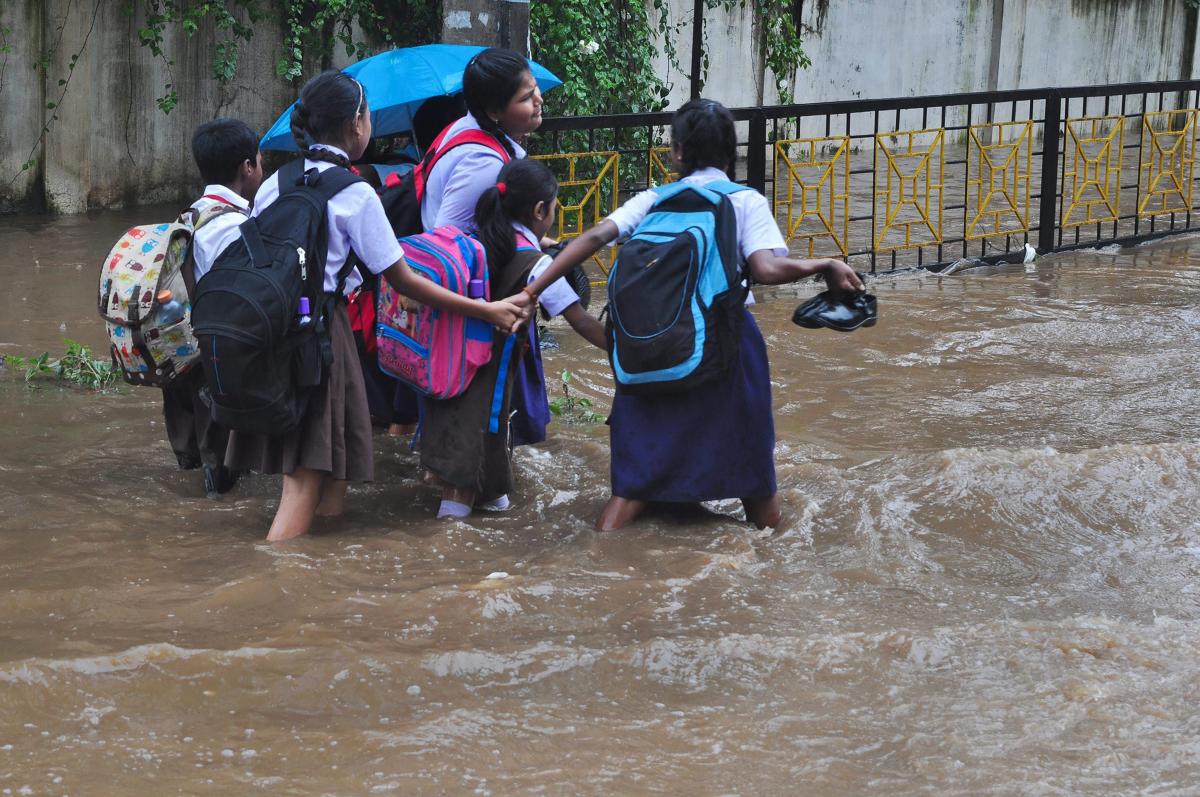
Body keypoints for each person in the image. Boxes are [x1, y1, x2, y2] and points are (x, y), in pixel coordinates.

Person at [517, 98, 865, 531]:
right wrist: (824, 265)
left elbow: (593, 237)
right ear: (730, 152)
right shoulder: (744, 201)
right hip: (726, 348)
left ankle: (604, 545)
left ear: (679, 152)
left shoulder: (652, 199)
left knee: (634, 487)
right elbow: (766, 269)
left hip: (648, 346)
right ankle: (772, 552)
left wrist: (532, 290)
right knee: (754, 479)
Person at [224, 70, 526, 542]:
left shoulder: (273, 183)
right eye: (367, 116)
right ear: (356, 126)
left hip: (278, 328)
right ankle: (275, 582)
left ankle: (323, 555)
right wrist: (485, 310)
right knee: (305, 475)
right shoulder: (356, 193)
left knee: (330, 458)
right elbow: (405, 278)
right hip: (325, 331)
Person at [418, 47, 596, 446]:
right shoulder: (482, 160)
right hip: (478, 305)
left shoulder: (474, 129)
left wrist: (538, 241)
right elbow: (447, 240)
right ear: (495, 111)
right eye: (525, 97)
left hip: (487, 298)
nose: (538, 101)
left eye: (535, 90)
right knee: (485, 407)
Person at [420, 159, 604, 519]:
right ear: (540, 210)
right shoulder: (535, 265)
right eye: (553, 208)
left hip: (448, 376)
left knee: (492, 497)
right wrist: (629, 351)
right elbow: (580, 320)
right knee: (458, 498)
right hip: (486, 394)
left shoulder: (475, 240)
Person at [162, 118, 262, 497]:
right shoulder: (237, 225)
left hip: (179, 355)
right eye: (260, 161)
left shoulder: (187, 216)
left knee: (191, 469)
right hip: (217, 359)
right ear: (246, 167)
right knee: (223, 481)